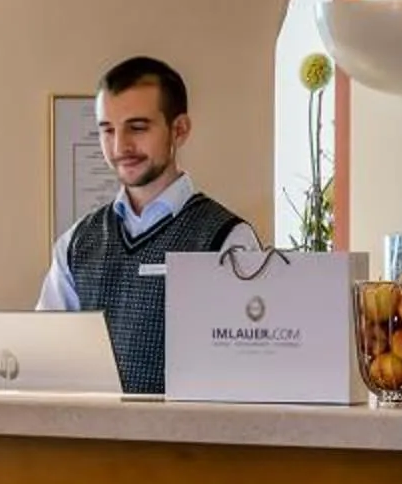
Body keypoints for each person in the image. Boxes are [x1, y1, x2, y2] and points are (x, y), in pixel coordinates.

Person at [38, 55, 256, 394]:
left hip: (189, 443)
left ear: (179, 129)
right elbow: (45, 355)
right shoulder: (77, 242)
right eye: (107, 130)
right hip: (89, 442)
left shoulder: (228, 239)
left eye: (137, 128)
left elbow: (245, 367)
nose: (120, 146)